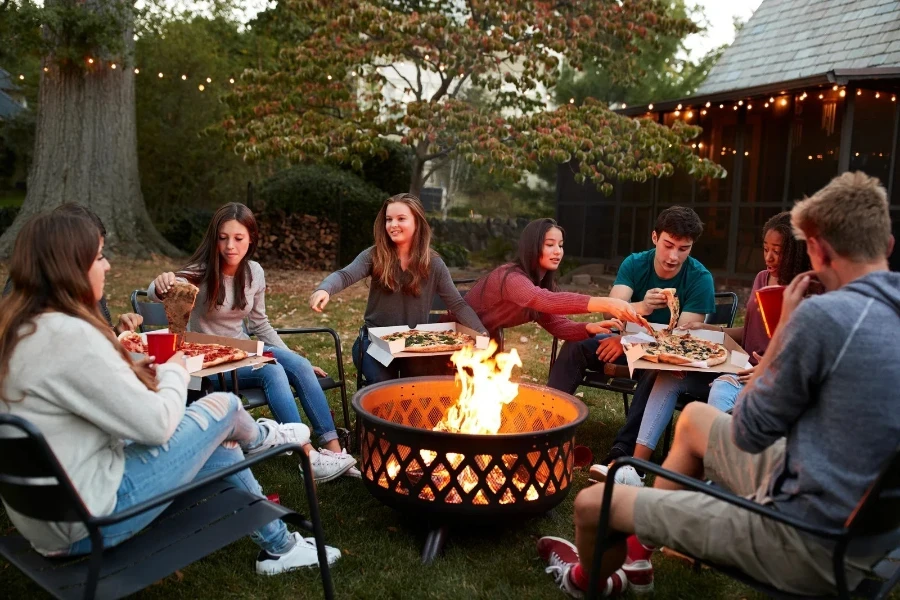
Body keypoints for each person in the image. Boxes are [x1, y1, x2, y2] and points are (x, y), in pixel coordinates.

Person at [537, 171, 900, 597]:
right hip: (857, 519)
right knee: (693, 419)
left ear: (816, 250)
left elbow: (749, 432)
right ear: (887, 245)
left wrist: (784, 332)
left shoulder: (823, 318)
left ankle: (586, 581)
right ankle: (637, 557)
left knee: (590, 507)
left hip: (802, 534)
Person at [0, 209, 340, 573]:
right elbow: (158, 424)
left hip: (47, 517)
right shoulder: (72, 336)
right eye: (99, 257)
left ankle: (280, 547)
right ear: (69, 267)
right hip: (88, 521)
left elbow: (82, 400)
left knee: (222, 444)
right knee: (223, 407)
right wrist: (174, 370)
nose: (108, 266)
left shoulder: (22, 331)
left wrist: (128, 371)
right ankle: (262, 436)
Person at [149, 203, 356, 483]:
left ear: (251, 240)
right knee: (272, 370)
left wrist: (291, 355)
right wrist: (161, 282)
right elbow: (157, 292)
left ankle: (333, 451)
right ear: (214, 239)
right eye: (223, 238)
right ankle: (306, 456)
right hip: (211, 362)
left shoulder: (255, 272)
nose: (230, 246)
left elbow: (260, 324)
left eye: (238, 238)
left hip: (245, 352)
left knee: (297, 363)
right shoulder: (199, 273)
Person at [619, 212, 811, 471]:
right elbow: (752, 331)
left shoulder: (809, 290)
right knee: (668, 377)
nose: (769, 257)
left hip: (760, 377)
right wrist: (709, 329)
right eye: (766, 248)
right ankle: (636, 468)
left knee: (722, 386)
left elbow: (805, 347)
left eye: (778, 251)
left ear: (796, 252)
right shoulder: (761, 279)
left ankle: (710, 474)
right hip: (737, 363)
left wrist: (773, 366)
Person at [546, 207, 715, 465]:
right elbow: (609, 311)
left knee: (656, 368)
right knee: (577, 344)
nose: (673, 256)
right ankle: (546, 426)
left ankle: (623, 451)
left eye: (684, 249)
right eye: (668, 245)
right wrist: (643, 308)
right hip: (624, 341)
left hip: (658, 356)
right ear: (655, 237)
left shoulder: (700, 278)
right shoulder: (636, 263)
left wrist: (627, 343)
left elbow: (679, 341)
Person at [310, 193, 488, 384]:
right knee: (384, 383)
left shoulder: (434, 263)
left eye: (401, 219)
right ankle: (378, 413)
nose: (393, 225)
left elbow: (458, 304)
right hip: (374, 344)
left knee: (423, 384)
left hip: (413, 346)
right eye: (388, 219)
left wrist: (481, 332)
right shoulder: (375, 255)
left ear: (417, 223)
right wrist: (325, 289)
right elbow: (345, 275)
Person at [455, 218, 648, 344]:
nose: (558, 251)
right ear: (532, 246)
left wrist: (589, 327)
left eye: (561, 245)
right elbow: (543, 300)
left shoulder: (542, 283)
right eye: (550, 245)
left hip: (485, 342)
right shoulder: (511, 277)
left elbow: (557, 325)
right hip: (456, 338)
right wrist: (606, 303)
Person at [2, 203, 144, 335]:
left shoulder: (80, 289)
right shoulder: (37, 308)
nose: (107, 265)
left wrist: (118, 332)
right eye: (96, 256)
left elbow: (102, 333)